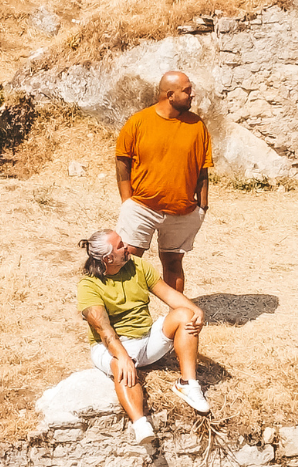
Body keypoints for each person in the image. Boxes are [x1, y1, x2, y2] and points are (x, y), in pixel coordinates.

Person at [78, 228, 210, 444]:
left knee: (185, 315)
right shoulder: (88, 286)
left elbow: (168, 294)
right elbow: (104, 331)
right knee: (120, 366)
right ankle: (140, 423)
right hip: (111, 346)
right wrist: (122, 357)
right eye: (120, 245)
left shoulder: (138, 266)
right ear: (108, 258)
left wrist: (196, 311)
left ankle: (188, 384)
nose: (127, 246)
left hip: (146, 340)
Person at [115, 71, 212, 293]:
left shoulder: (197, 126)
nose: (192, 94)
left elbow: (202, 168)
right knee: (126, 258)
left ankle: (176, 318)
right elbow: (122, 161)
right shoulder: (138, 122)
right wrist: (126, 200)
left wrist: (202, 205)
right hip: (141, 206)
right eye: (187, 90)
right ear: (170, 94)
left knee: (173, 262)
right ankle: (123, 312)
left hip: (182, 211)